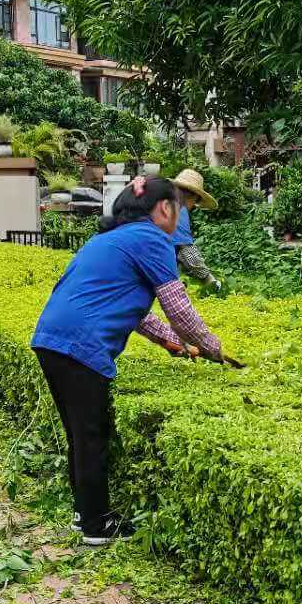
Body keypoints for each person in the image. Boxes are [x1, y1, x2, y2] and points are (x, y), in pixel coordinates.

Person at [32, 176, 231, 545]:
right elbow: (178, 308)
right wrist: (212, 346)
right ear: (165, 208)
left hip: (52, 340)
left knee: (80, 435)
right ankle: (96, 526)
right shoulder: (153, 238)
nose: (183, 215)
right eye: (181, 207)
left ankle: (85, 515)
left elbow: (137, 313)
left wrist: (174, 344)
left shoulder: (109, 240)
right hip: (82, 345)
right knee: (93, 436)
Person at [171, 168, 222, 290]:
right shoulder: (178, 210)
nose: (193, 206)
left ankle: (174, 283)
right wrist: (208, 278)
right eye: (196, 201)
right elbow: (187, 251)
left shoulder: (162, 202)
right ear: (191, 195)